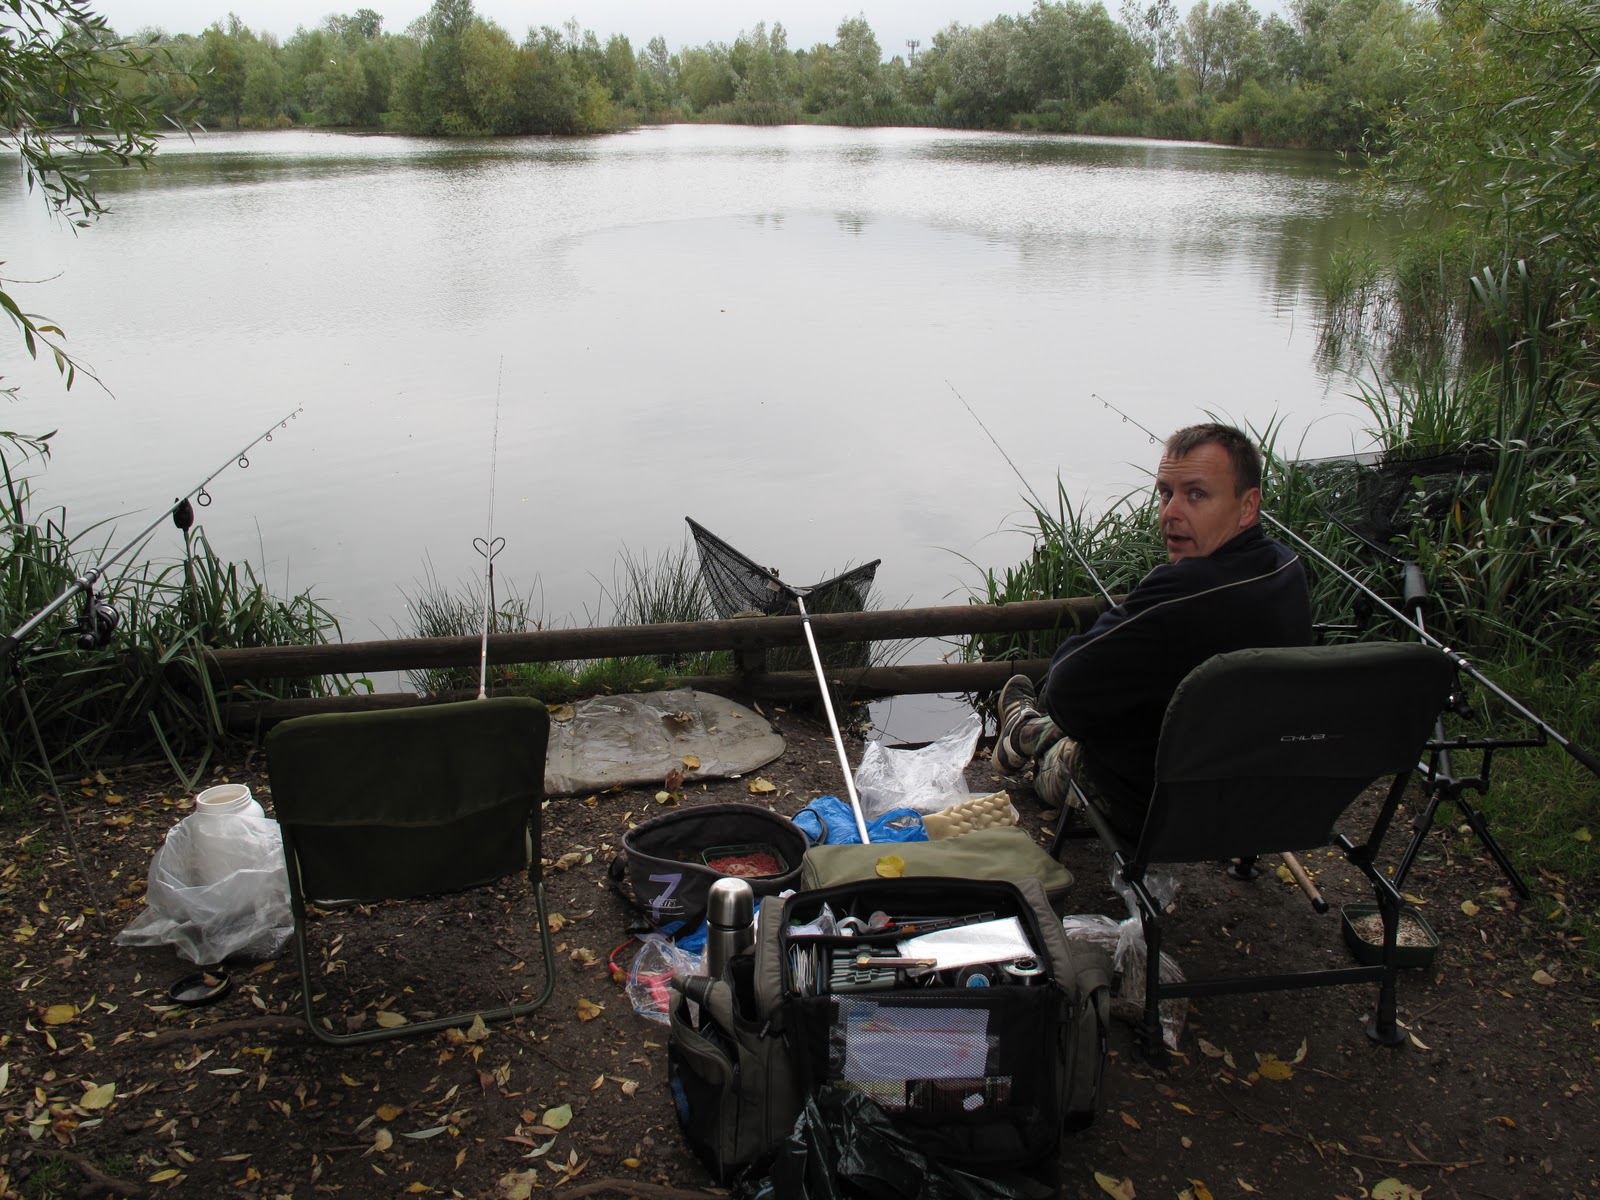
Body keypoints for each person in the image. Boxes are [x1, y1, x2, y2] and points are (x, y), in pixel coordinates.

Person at [994, 423, 1312, 838]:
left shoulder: (1179, 591)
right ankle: (1024, 727)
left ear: (1247, 506)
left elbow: (1063, 689)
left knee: (1067, 749)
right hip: (1259, 798)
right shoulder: (1288, 567)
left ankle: (1023, 731)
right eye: (1166, 493)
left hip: (1149, 802)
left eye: (1196, 494)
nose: (1170, 513)